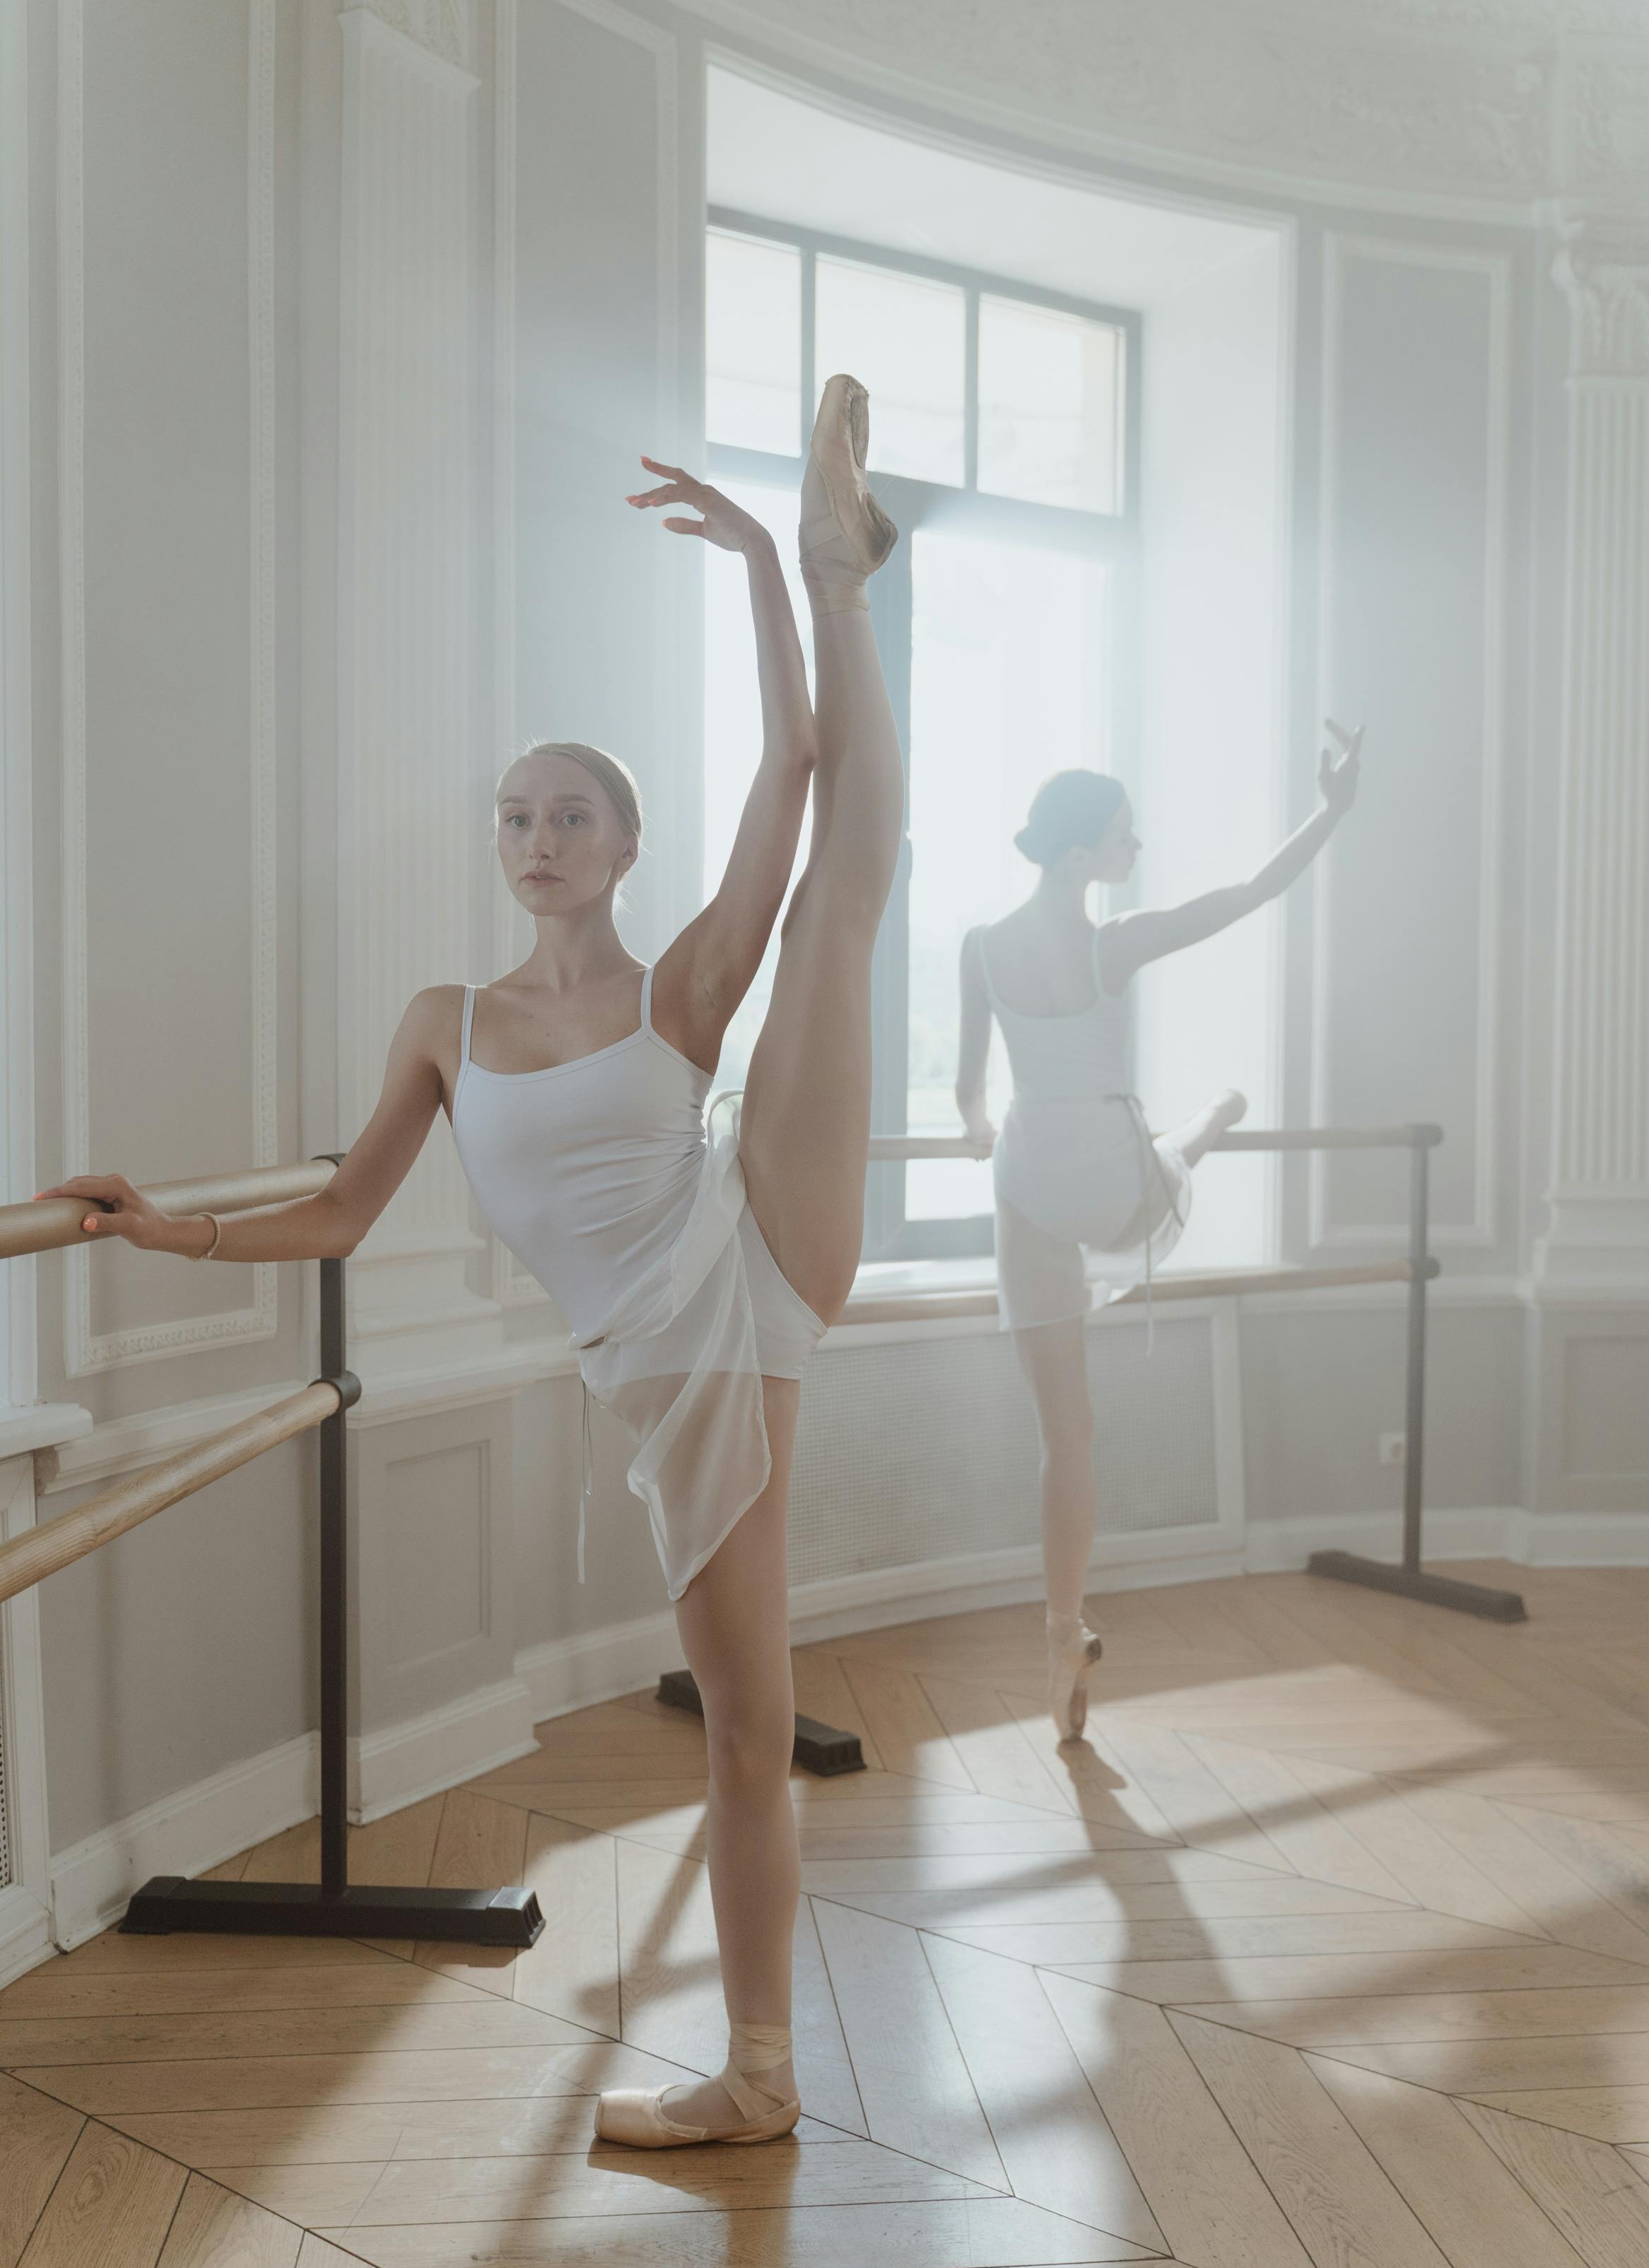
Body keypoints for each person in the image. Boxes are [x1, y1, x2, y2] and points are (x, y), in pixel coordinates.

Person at [37, 375, 905, 2151]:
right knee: (748, 1713)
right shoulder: (444, 1020)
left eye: (570, 815)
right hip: (654, 1363)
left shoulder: (677, 985)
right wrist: (164, 1225)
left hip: (748, 1259)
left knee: (837, 895)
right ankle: (759, 2065)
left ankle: (839, 569)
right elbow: (349, 1213)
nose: (535, 840)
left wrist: (759, 562)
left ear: (625, 845)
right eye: (514, 816)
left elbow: (793, 771)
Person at [955, 728, 1363, 1743]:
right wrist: (1333, 808)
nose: (1134, 853)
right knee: (1174, 1157)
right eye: (1124, 838)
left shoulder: (979, 946)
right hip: (1105, 1174)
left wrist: (974, 1125)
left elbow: (971, 1096)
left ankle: (1059, 1627)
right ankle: (1215, 1119)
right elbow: (1247, 895)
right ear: (1085, 854)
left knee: (1065, 1441)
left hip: (1025, 1182)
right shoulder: (1113, 942)